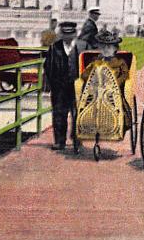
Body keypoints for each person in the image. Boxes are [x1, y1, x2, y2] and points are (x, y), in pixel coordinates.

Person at [79, 31, 131, 131]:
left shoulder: (120, 62)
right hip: (95, 91)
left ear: (115, 48)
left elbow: (125, 75)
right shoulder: (95, 61)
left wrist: (115, 84)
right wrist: (92, 78)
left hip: (113, 91)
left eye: (109, 47)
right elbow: (84, 75)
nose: (106, 49)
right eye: (103, 47)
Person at [43, 21, 80, 151]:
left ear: (75, 34)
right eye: (65, 34)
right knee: (59, 113)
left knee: (78, 113)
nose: (68, 37)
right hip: (59, 86)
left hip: (77, 86)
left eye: (70, 34)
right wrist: (50, 84)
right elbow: (48, 67)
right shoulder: (54, 48)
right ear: (61, 35)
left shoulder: (81, 47)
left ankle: (77, 138)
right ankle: (59, 141)